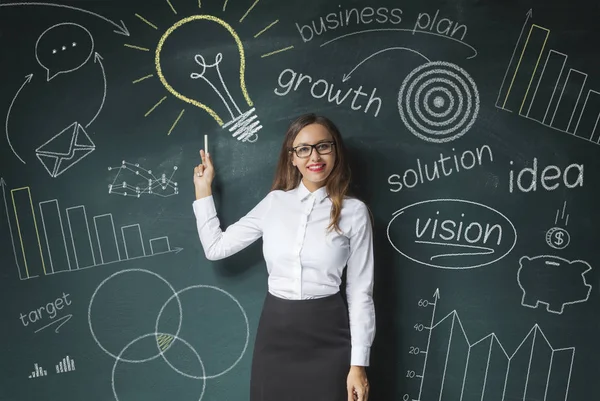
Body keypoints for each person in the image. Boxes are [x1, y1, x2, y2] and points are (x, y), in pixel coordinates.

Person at [192, 113, 375, 401]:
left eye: (323, 146)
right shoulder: (274, 203)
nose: (314, 156)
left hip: (330, 334)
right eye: (303, 149)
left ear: (335, 150)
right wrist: (203, 190)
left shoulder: (355, 212)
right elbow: (216, 247)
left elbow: (360, 292)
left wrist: (358, 365)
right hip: (276, 333)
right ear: (292, 157)